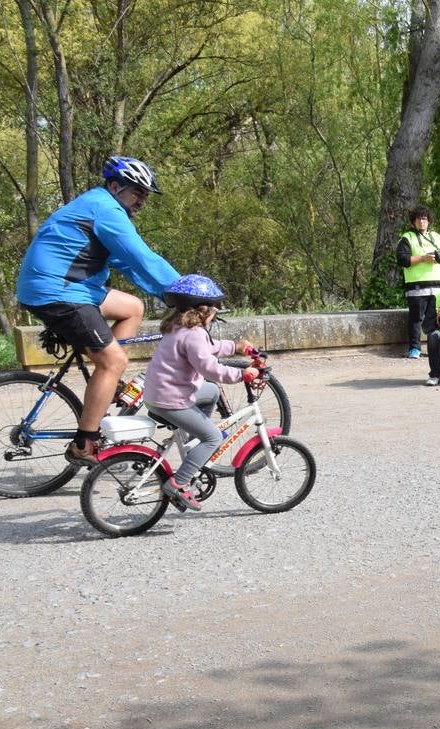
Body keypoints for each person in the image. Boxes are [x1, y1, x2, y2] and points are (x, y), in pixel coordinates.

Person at [15, 155, 182, 465]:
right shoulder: (106, 209)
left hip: (71, 286)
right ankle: (84, 444)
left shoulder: (101, 206)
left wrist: (166, 292)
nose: (142, 200)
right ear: (116, 186)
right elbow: (142, 257)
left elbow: (126, 264)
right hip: (58, 291)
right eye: (138, 192)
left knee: (132, 307)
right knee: (113, 359)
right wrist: (187, 290)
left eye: (145, 194)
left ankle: (108, 383)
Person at [141, 275, 259, 512]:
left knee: (211, 390)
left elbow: (209, 347)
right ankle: (179, 483)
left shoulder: (178, 327)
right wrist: (242, 375)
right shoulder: (194, 334)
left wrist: (235, 346)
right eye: (214, 308)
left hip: (158, 394)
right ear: (204, 311)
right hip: (171, 401)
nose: (215, 312)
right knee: (213, 438)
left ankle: (191, 439)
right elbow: (209, 367)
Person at [395, 205, 440, 360]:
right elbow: (403, 259)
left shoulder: (436, 237)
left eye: (425, 218)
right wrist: (423, 258)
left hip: (438, 287)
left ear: (429, 221)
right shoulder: (407, 238)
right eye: (419, 218)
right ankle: (414, 349)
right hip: (417, 287)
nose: (422, 221)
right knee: (416, 320)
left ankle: (437, 348)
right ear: (413, 221)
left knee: (438, 320)